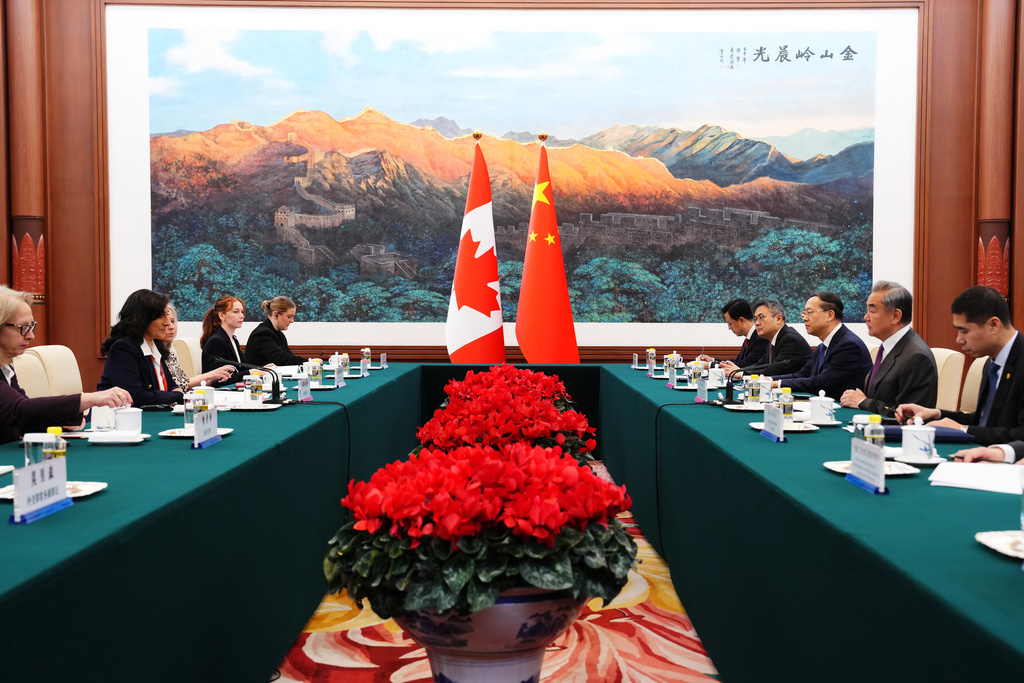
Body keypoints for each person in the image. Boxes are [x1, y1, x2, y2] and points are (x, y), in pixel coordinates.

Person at [0, 285, 130, 444]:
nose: (31, 336)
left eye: (32, 326)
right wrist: (89, 399)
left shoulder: (6, 365)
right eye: (24, 328)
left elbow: (25, 420)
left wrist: (62, 420)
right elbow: (19, 410)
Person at [897, 285, 1024, 445]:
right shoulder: (992, 363)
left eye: (964, 331)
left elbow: (1020, 434)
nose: (958, 340)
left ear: (993, 325)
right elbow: (985, 422)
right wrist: (936, 414)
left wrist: (963, 430)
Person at [840, 281, 938, 416]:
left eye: (872, 311)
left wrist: (863, 402)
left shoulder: (916, 356)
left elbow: (909, 415)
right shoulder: (888, 347)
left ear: (895, 316)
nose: (866, 317)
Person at [773, 291, 872, 400]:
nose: (805, 318)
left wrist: (778, 384)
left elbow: (821, 384)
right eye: (804, 313)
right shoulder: (823, 346)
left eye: (810, 312)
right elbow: (802, 375)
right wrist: (768, 380)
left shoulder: (848, 345)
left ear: (830, 315)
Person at [97, 288, 183, 406]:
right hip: (115, 420)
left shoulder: (156, 345)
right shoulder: (123, 349)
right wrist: (177, 396)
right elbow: (135, 397)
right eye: (161, 316)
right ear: (143, 318)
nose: (168, 323)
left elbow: (171, 385)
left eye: (167, 316)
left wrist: (174, 393)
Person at [721, 299, 811, 378]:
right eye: (755, 319)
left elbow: (773, 371)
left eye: (761, 318)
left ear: (778, 319)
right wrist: (739, 370)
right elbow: (760, 365)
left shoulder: (790, 340)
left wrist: (741, 373)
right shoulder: (773, 340)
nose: (756, 323)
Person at [164, 303, 234, 391]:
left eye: (172, 321)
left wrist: (215, 377)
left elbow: (183, 383)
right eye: (165, 323)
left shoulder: (169, 352)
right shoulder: (154, 353)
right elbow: (183, 385)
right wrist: (211, 375)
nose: (171, 327)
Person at [697, 298, 769, 369]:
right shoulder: (749, 339)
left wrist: (710, 365)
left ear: (741, 320)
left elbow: (743, 366)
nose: (729, 328)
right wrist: (712, 360)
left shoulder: (761, 339)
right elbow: (736, 362)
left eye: (730, 324)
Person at [245, 296, 308, 367]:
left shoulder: (279, 335)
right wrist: (309, 362)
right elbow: (281, 360)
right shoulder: (262, 334)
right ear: (276, 314)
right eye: (289, 317)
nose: (292, 321)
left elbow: (289, 357)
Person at [199, 296, 247, 386]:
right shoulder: (216, 341)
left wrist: (262, 369)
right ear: (221, 315)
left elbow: (242, 369)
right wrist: (250, 373)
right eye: (236, 312)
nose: (242, 316)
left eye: (242, 312)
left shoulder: (233, 340)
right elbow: (218, 380)